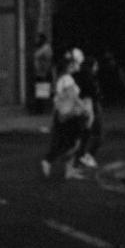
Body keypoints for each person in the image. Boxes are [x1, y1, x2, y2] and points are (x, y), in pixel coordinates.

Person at [40, 49, 91, 180]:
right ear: (70, 65)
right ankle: (48, 161)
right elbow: (72, 98)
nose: (78, 66)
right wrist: (84, 108)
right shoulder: (67, 79)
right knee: (72, 144)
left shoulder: (63, 78)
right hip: (70, 117)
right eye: (76, 63)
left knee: (68, 142)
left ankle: (68, 170)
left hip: (64, 115)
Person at [73, 53, 103, 167]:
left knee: (85, 132)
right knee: (98, 134)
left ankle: (79, 157)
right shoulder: (90, 77)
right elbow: (95, 93)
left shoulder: (78, 76)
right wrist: (98, 95)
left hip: (80, 106)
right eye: (96, 65)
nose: (97, 68)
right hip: (91, 105)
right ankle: (88, 156)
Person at [32, 33, 53, 113]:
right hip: (39, 72)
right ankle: (40, 109)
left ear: (42, 39)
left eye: (38, 38)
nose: (36, 40)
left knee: (42, 92)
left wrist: (45, 70)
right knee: (40, 91)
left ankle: (42, 110)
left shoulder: (46, 48)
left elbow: (47, 60)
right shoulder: (41, 48)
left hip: (43, 73)